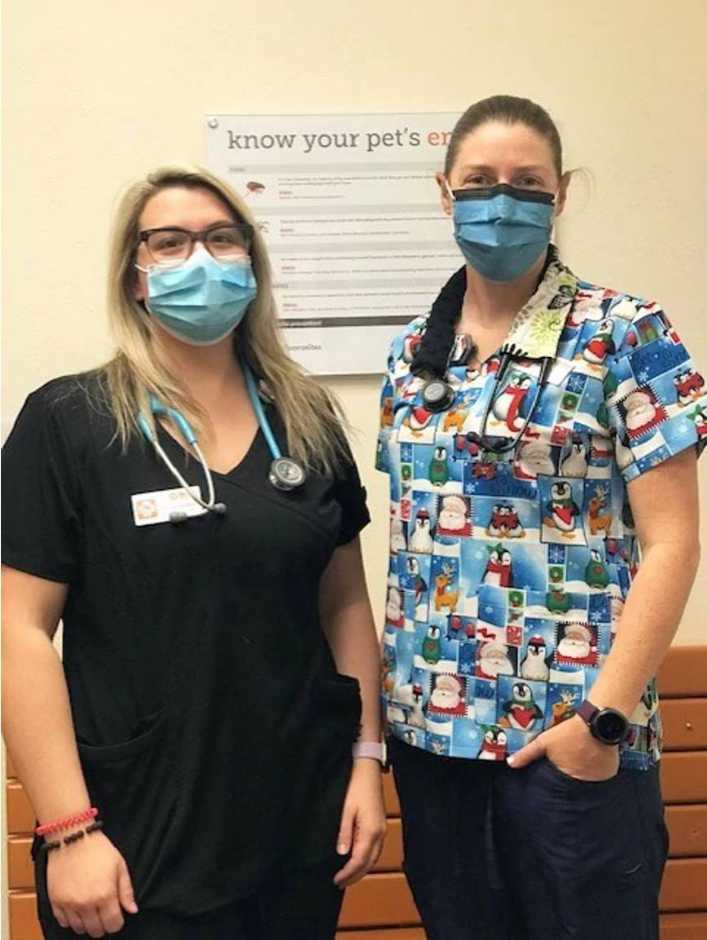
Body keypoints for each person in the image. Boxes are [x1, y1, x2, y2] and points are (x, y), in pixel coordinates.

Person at [2, 165, 386, 939]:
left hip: (299, 816)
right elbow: (16, 630)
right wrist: (68, 830)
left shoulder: (304, 418)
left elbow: (344, 603)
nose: (200, 260)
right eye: (168, 243)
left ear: (252, 261)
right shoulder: (69, 422)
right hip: (135, 831)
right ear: (135, 278)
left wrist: (366, 763)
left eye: (221, 239)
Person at [376, 95, 703, 940]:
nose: (501, 201)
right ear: (444, 193)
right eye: (479, 182)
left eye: (526, 184)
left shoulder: (626, 333)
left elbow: (672, 542)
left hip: (571, 743)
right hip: (431, 745)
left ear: (559, 196)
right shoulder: (412, 354)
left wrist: (599, 723)